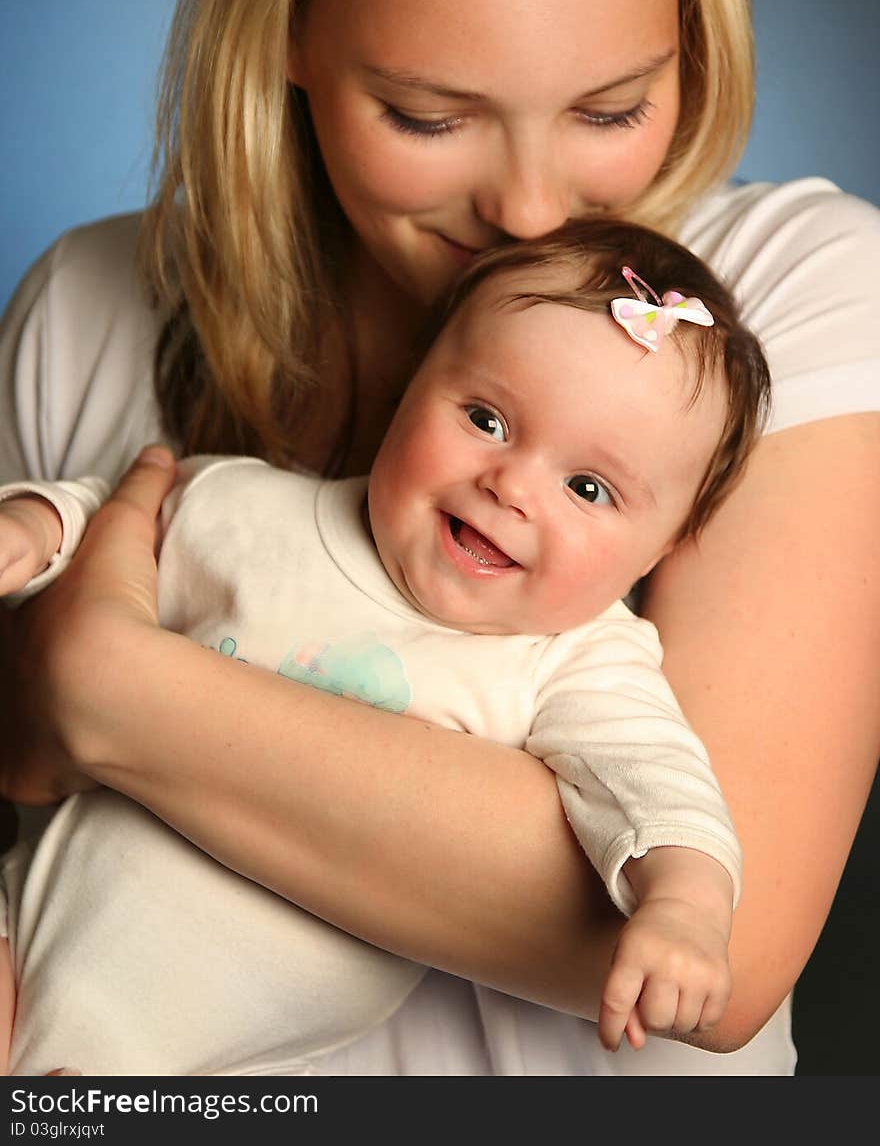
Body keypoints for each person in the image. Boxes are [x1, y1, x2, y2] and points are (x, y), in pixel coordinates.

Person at [0, 0, 878, 1077]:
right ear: (286, 31)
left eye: (611, 106)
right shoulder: (89, 305)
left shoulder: (775, 306)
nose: (530, 210)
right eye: (428, 114)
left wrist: (108, 687)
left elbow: (717, 948)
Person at [0, 220, 768, 1076]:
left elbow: (659, 786)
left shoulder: (576, 661)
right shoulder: (252, 502)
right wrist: (36, 522)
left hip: (207, 1063)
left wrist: (686, 909)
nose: (510, 486)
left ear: (659, 549)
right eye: (485, 418)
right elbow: (116, 511)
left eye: (587, 488)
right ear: (412, 385)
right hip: (22, 934)